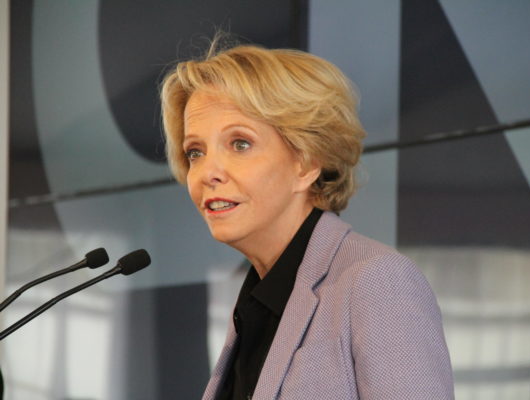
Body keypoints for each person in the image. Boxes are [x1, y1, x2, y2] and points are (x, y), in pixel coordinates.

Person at [161, 41, 454, 400]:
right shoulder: (254, 304)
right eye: (195, 152)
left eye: (240, 144)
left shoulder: (377, 282)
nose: (208, 173)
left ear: (307, 162)